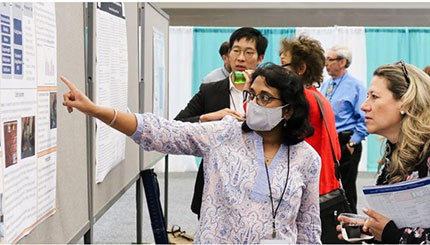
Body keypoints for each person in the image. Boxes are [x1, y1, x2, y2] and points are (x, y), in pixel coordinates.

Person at [61, 63, 322, 244]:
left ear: (287, 110)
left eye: (265, 98)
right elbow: (162, 131)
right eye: (252, 95)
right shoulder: (223, 134)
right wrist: (97, 111)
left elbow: (309, 229)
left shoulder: (306, 159)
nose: (254, 104)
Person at [174, 27, 267, 218]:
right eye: (236, 50)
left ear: (260, 58)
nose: (240, 58)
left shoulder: (270, 93)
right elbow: (178, 124)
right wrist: (208, 118)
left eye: (248, 52)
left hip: (258, 183)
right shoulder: (210, 90)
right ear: (228, 53)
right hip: (215, 186)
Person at [337, 61, 430, 244]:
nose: (364, 106)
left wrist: (390, 234)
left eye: (374, 97)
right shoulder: (394, 151)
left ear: (405, 102)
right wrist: (370, 228)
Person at [279, 36, 343, 243]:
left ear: (300, 68)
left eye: (283, 66)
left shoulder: (302, 101)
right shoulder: (320, 98)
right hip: (328, 188)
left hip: (310, 194)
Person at [320, 45, 368, 214]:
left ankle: (352, 231)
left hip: (346, 142)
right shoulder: (326, 85)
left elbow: (365, 117)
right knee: (330, 189)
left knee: (347, 189)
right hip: (329, 143)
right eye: (325, 59)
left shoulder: (356, 86)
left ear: (342, 62)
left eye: (330, 59)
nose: (326, 63)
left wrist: (352, 143)